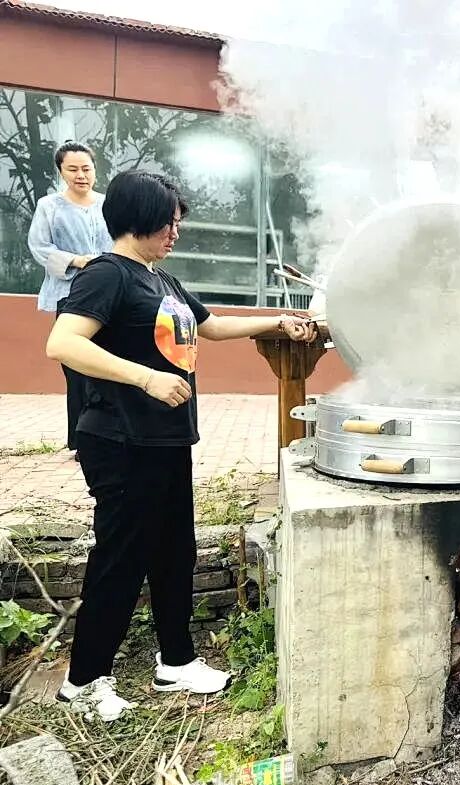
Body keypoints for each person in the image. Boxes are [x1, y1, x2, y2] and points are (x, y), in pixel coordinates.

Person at [45, 170, 317, 722]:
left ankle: (177, 660)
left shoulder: (160, 281)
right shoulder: (108, 275)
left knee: (175, 550)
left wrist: (284, 322)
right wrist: (145, 379)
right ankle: (85, 679)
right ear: (139, 218)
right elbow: (63, 343)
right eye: (169, 222)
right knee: (121, 557)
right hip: (120, 438)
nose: (176, 232)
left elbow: (211, 327)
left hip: (165, 439)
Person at [27, 141, 114, 455]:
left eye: (86, 168)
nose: (81, 175)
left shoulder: (109, 204)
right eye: (73, 169)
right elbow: (39, 247)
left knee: (108, 363)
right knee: (76, 368)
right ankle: (81, 440)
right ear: (61, 171)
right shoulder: (49, 206)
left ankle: (109, 435)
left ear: (95, 169)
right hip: (70, 295)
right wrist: (77, 261)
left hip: (108, 295)